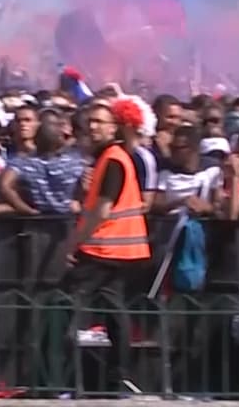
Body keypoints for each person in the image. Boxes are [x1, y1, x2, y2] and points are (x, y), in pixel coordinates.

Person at [62, 97, 153, 394]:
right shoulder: (110, 158)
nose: (93, 126)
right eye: (90, 121)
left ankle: (56, 377)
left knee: (66, 306)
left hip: (103, 248)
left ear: (115, 128)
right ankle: (117, 377)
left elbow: (102, 211)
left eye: (100, 122)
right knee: (114, 311)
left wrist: (73, 243)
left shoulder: (113, 159)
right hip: (117, 250)